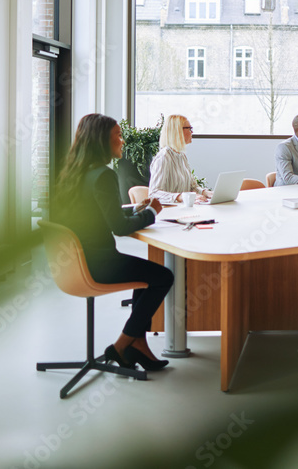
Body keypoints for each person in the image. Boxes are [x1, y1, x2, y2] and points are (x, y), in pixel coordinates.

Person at [54, 113, 174, 372]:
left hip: (75, 261)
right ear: (101, 142)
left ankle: (138, 343)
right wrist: (152, 212)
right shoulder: (104, 175)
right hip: (98, 264)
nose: (122, 141)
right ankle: (121, 346)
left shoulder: (76, 173)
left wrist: (138, 210)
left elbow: (104, 216)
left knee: (146, 276)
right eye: (117, 136)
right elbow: (118, 228)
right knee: (163, 276)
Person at [148, 115, 212, 203]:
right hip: (169, 211)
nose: (192, 132)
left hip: (183, 209)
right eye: (189, 128)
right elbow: (154, 193)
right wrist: (180, 197)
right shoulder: (163, 157)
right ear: (177, 131)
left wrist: (206, 193)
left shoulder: (181, 156)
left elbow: (192, 187)